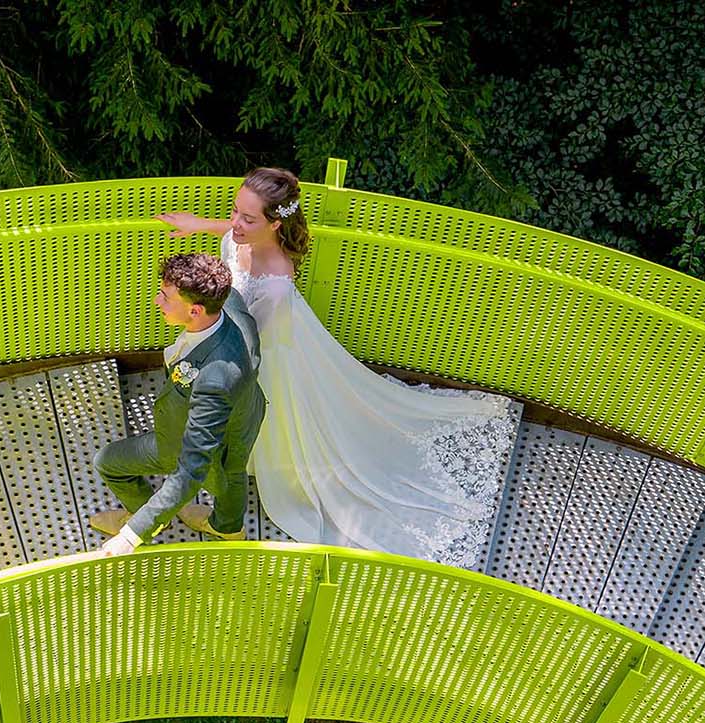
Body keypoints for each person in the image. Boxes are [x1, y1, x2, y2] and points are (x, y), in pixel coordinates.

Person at [155, 168, 521, 568]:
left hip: (263, 354)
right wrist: (199, 225)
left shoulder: (275, 284)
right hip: (245, 334)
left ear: (274, 223)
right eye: (235, 213)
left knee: (264, 426)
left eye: (248, 218)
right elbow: (232, 232)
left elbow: (248, 341)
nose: (236, 224)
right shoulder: (244, 234)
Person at [90, 253, 266, 553]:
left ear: (196, 310)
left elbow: (189, 470)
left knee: (108, 462)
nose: (158, 302)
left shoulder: (215, 379)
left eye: (166, 297)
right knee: (233, 472)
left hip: (199, 437)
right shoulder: (229, 302)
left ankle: (148, 516)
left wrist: (132, 535)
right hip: (246, 415)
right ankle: (228, 528)